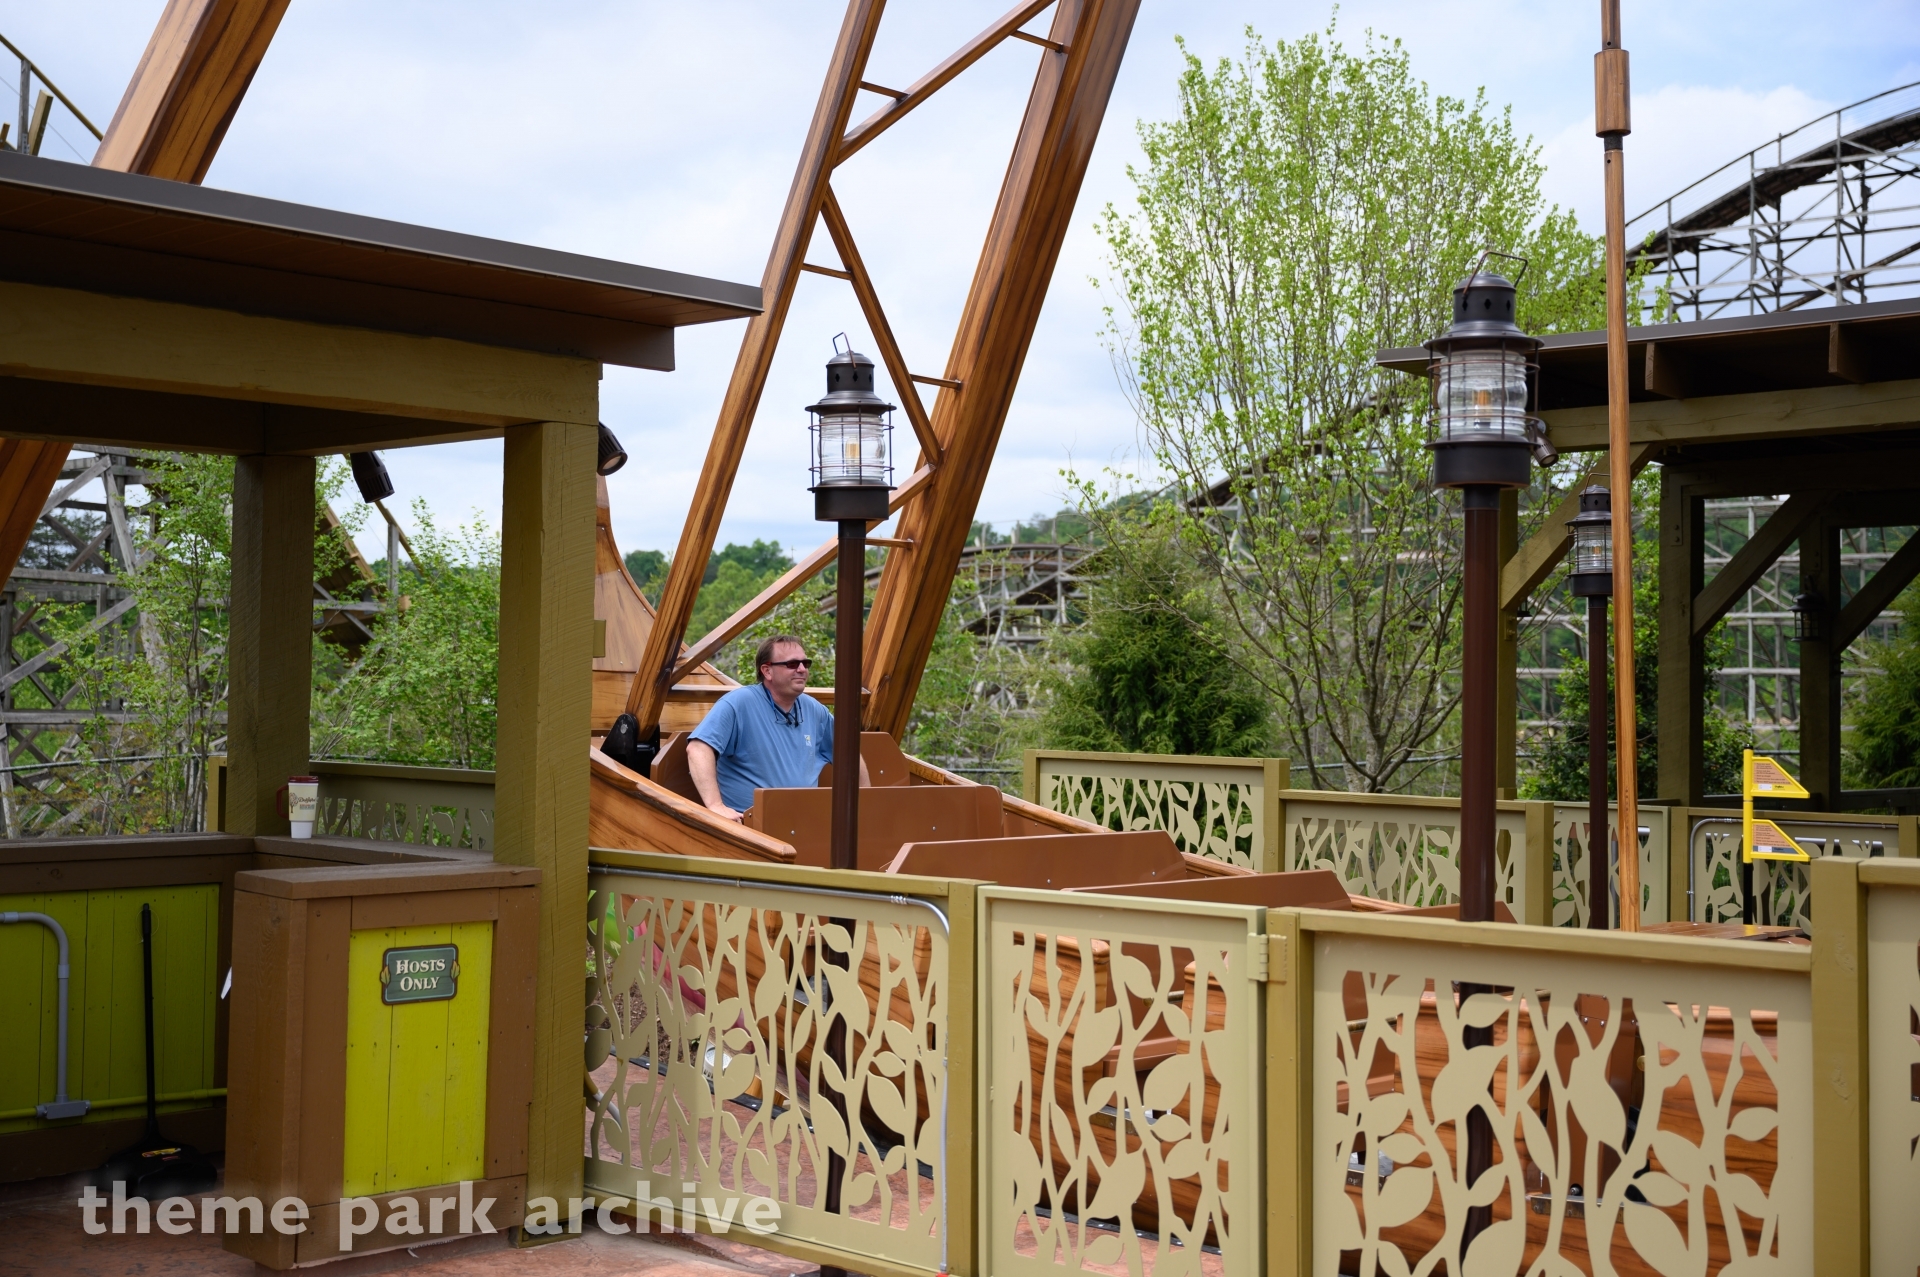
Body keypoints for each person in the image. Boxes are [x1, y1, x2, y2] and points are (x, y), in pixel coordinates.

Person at [687, 634, 867, 821]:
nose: (801, 669)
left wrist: (864, 805)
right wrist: (716, 807)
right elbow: (697, 749)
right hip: (752, 828)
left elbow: (849, 753)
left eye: (806, 663)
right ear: (767, 671)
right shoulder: (738, 703)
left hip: (805, 825)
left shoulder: (815, 710)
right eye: (792, 664)